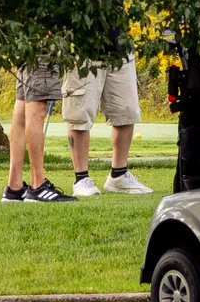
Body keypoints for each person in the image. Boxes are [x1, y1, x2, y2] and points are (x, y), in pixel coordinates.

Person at [62, 48, 152, 195]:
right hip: (85, 49)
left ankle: (119, 175)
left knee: (126, 111)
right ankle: (81, 179)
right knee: (79, 114)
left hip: (120, 50)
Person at [0, 63, 71, 203]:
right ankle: (38, 185)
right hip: (41, 46)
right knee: (37, 106)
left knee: (22, 104)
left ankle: (14, 188)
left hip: (26, 48)